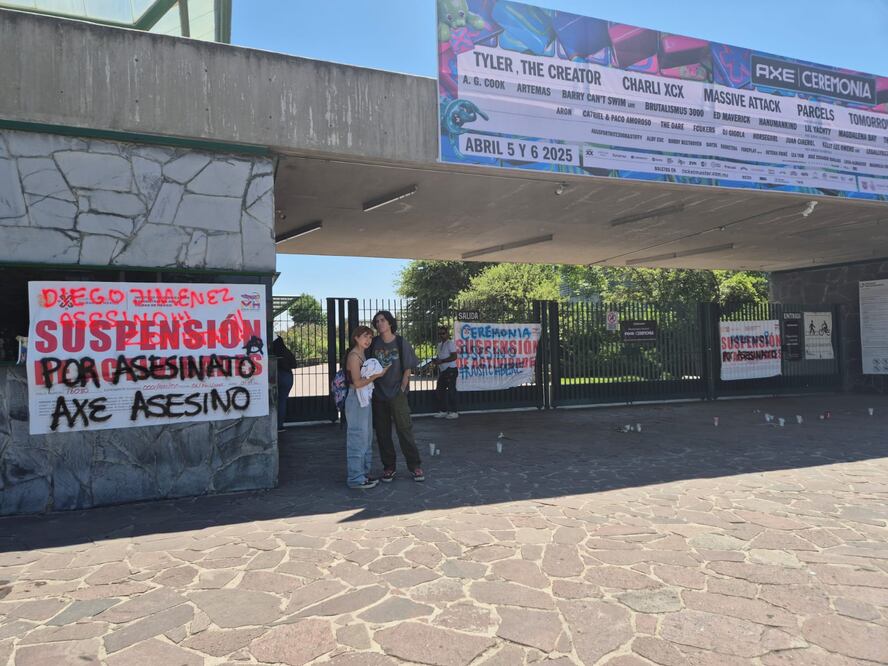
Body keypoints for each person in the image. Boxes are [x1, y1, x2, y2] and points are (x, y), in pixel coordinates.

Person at [369, 310, 425, 482]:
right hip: (378, 394)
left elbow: (408, 366)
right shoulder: (373, 343)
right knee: (383, 433)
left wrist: (402, 386)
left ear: (390, 322)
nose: (380, 324)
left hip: (397, 393)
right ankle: (389, 467)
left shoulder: (400, 342)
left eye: (383, 320)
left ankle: (415, 466)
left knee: (404, 429)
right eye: (377, 321)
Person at [344, 325, 389, 489]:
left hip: (364, 398)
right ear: (356, 337)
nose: (368, 340)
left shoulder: (363, 354)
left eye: (370, 337)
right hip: (356, 398)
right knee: (357, 436)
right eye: (365, 336)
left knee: (366, 436)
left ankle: (363, 473)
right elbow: (356, 383)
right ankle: (355, 477)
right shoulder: (354, 356)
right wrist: (377, 375)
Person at [271, 335, 298, 433]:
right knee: (282, 401)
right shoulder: (285, 350)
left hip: (274, 375)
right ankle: (279, 425)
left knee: (271, 401)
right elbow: (294, 364)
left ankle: (271, 424)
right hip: (287, 376)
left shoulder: (270, 351)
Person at [433, 325, 459, 419]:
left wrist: (442, 361)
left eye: (443, 333)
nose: (441, 335)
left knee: (451, 391)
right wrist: (437, 361)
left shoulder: (450, 343)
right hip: (443, 370)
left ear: (447, 334)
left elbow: (454, 357)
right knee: (440, 390)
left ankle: (454, 411)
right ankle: (443, 410)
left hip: (451, 369)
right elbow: (441, 357)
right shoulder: (439, 345)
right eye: (440, 333)